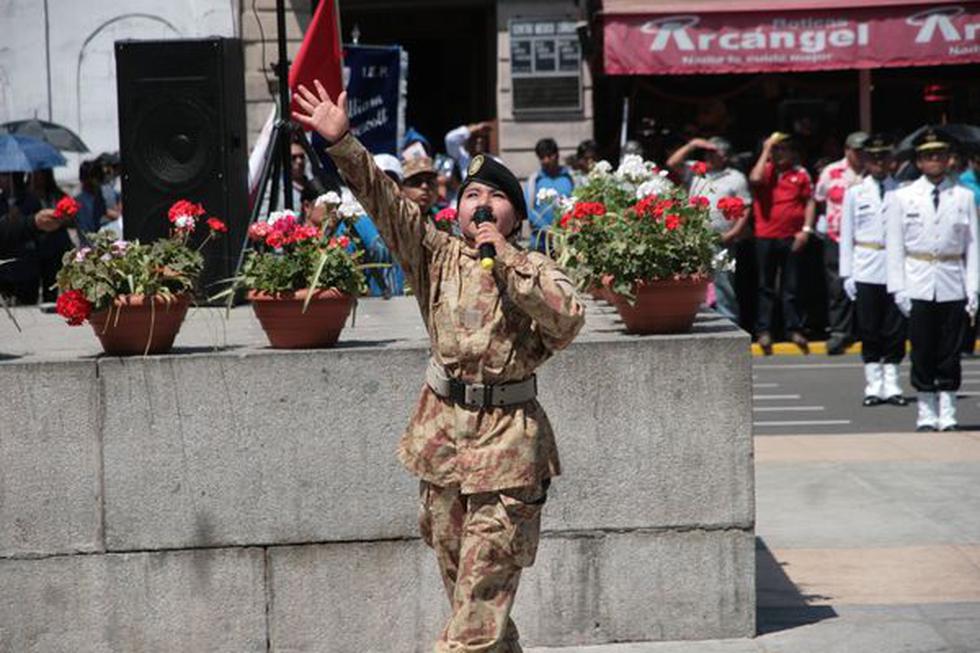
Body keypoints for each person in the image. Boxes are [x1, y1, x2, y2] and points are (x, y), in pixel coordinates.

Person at [292, 80, 585, 653]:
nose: (481, 204)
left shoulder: (534, 267)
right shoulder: (435, 255)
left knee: (472, 625)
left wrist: (502, 256)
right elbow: (383, 200)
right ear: (456, 210)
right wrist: (343, 142)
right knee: (472, 608)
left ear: (515, 216)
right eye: (472, 195)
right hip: (442, 446)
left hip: (509, 455)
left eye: (495, 197)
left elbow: (567, 318)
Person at [886, 127, 979, 431]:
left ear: (949, 159)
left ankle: (948, 411)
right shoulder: (903, 196)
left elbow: (973, 246)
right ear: (919, 162)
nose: (934, 161)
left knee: (951, 350)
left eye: (939, 155)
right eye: (928, 156)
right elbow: (896, 246)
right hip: (918, 280)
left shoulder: (963, 197)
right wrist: (897, 288)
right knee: (923, 348)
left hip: (952, 280)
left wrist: (973, 288)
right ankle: (926, 411)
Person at [839, 134, 906, 407]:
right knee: (869, 327)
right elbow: (846, 234)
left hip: (895, 267)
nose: (879, 163)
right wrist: (847, 273)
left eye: (883, 158)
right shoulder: (855, 193)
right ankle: (873, 383)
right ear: (866, 161)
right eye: (874, 158)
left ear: (890, 161)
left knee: (895, 327)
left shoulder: (900, 192)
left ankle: (891, 382)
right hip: (866, 264)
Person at [667, 136, 752, 322]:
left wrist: (734, 232)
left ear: (725, 156)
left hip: (723, 238)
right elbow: (672, 162)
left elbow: (745, 207)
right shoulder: (697, 169)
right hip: (696, 238)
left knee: (724, 283)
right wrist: (693, 144)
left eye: (715, 153)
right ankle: (700, 319)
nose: (710, 156)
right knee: (695, 280)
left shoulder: (736, 177)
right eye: (708, 152)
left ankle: (729, 321)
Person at [750, 132, 814, 354]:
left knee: (791, 285)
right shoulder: (766, 170)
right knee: (765, 286)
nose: (779, 153)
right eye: (776, 149)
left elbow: (809, 202)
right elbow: (755, 179)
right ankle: (764, 330)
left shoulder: (800, 174)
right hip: (766, 235)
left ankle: (793, 328)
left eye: (783, 149)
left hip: (791, 235)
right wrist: (766, 149)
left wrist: (806, 230)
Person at [811, 131, 867, 354]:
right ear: (847, 151)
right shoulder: (831, 171)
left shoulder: (873, 173)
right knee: (837, 286)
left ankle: (865, 329)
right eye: (856, 151)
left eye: (864, 151)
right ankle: (840, 331)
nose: (861, 155)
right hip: (837, 236)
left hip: (866, 241)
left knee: (867, 286)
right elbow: (819, 200)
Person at [28, 168, 73, 302]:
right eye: (34, 175)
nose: (36, 178)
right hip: (36, 247)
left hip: (55, 247)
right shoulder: (28, 196)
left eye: (39, 174)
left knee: (52, 284)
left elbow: (71, 217)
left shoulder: (56, 195)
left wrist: (63, 218)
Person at [526, 138, 575, 254]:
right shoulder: (535, 179)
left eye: (549, 156)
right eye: (542, 157)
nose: (546, 160)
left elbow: (577, 203)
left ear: (557, 155)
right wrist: (548, 230)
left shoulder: (570, 177)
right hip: (541, 244)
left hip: (567, 243)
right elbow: (528, 210)